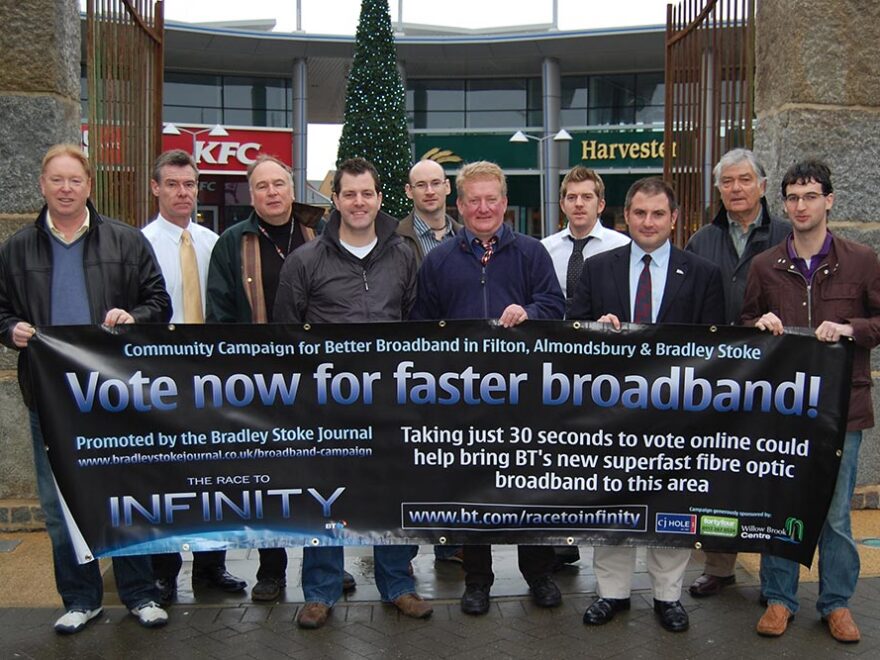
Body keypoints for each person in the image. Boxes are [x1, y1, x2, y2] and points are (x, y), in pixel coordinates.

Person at [0, 144, 171, 633]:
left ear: (89, 185)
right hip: (50, 399)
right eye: (57, 180)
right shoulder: (16, 249)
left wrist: (132, 318)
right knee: (59, 504)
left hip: (112, 395)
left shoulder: (126, 241)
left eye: (75, 180)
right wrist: (10, 330)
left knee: (126, 495)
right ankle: (80, 598)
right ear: (42, 185)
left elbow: (159, 303)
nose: (66, 188)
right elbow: (0, 311)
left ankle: (140, 594)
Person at [274, 157, 431, 629]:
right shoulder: (305, 260)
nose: (358, 203)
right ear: (336, 200)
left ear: (380, 199)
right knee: (325, 496)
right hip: (327, 405)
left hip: (390, 401)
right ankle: (320, 591)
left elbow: (413, 321)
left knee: (392, 492)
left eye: (367, 194)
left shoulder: (404, 253)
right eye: (349, 194)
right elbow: (287, 334)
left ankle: (398, 584)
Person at [569, 177, 724, 633]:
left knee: (670, 503)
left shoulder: (702, 274)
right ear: (626, 217)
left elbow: (717, 349)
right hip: (612, 413)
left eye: (658, 214)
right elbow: (570, 330)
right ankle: (611, 593)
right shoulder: (598, 269)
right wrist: (595, 329)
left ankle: (667, 596)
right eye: (640, 213)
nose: (649, 222)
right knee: (612, 501)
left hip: (676, 415)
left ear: (674, 219)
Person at [411, 161, 565, 616]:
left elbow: (556, 306)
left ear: (504, 202)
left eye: (491, 199)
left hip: (524, 397)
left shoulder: (532, 253)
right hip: (464, 398)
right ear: (459, 205)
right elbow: (423, 325)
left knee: (529, 488)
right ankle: (477, 581)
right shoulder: (438, 259)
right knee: (472, 491)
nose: (483, 208)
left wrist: (530, 310)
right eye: (473, 200)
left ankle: (539, 574)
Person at [205, 154, 357, 602]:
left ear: (293, 189)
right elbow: (220, 315)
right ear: (251, 195)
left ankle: (329, 564)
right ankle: (271, 570)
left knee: (326, 476)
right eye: (262, 186)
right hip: (261, 379)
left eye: (279, 184)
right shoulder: (233, 242)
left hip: (323, 378)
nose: (272, 192)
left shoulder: (324, 234)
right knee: (269, 477)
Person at [742, 159, 880, 644]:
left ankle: (836, 604)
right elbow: (744, 326)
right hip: (783, 408)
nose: (801, 206)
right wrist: (759, 327)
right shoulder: (765, 265)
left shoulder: (861, 260)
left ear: (829, 200)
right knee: (781, 504)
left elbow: (879, 323)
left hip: (843, 410)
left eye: (810, 196)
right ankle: (779, 599)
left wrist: (850, 329)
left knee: (836, 512)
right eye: (793, 198)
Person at [141, 149, 247, 605]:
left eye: (189, 185)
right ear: (156, 188)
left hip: (213, 377)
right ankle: (164, 573)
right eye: (173, 185)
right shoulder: (138, 244)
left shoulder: (214, 242)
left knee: (216, 473)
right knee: (166, 477)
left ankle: (211, 567)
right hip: (164, 378)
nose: (183, 193)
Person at [684, 148, 791, 598]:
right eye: (727, 182)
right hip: (717, 375)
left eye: (744, 180)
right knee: (721, 474)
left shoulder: (787, 234)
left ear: (763, 186)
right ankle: (720, 565)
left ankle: (776, 577)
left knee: (771, 475)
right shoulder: (701, 240)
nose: (735, 189)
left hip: (775, 373)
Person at [541, 165, 630, 315]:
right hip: (555, 335)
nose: (579, 204)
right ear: (562, 205)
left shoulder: (622, 247)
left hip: (604, 334)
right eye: (571, 197)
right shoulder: (545, 249)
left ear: (600, 205)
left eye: (587, 197)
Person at [398, 159, 462, 268]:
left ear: (447, 186)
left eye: (436, 183)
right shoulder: (395, 240)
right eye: (421, 185)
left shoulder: (467, 237)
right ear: (409, 191)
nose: (429, 192)